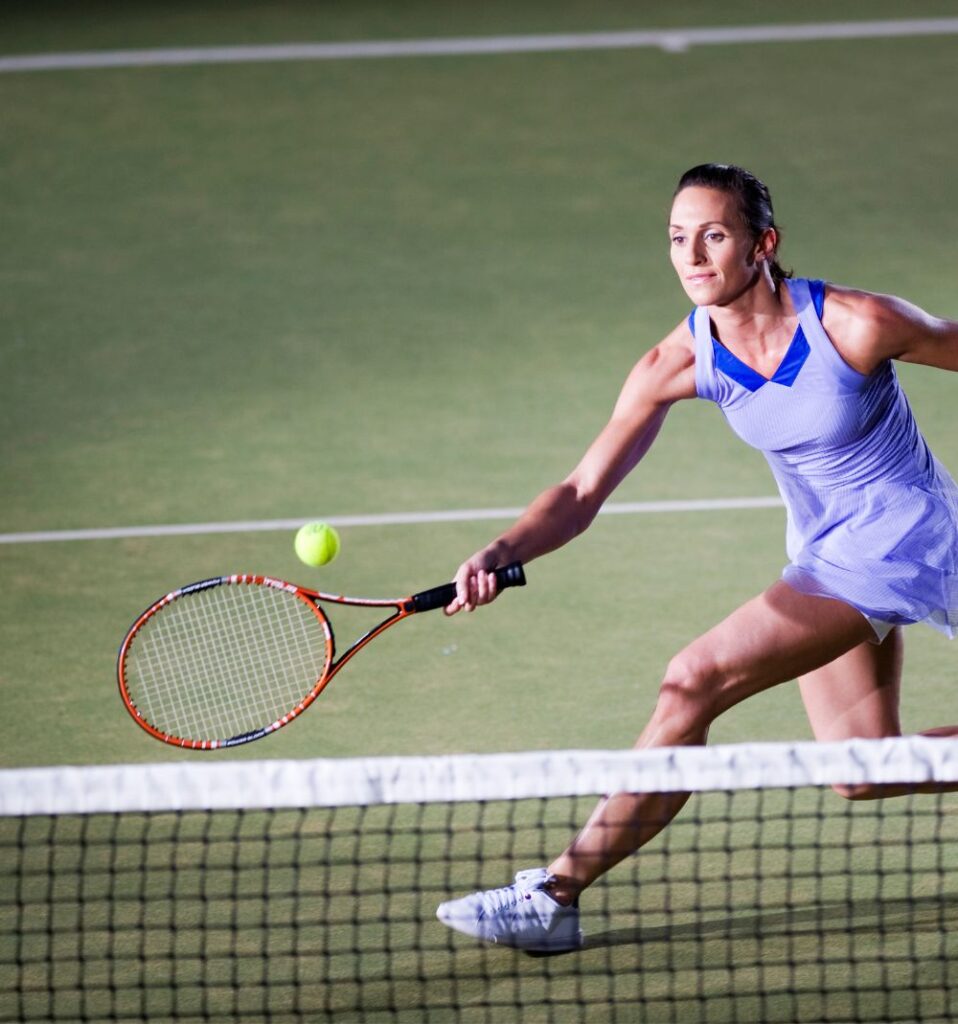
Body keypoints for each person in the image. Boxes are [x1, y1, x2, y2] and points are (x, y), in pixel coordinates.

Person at [434, 163, 958, 953]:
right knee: (862, 770)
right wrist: (504, 549)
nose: (693, 255)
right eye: (678, 237)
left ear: (763, 244)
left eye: (714, 233)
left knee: (693, 678)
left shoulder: (855, 322)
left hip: (903, 539)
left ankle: (553, 893)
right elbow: (580, 491)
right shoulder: (680, 360)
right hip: (824, 553)